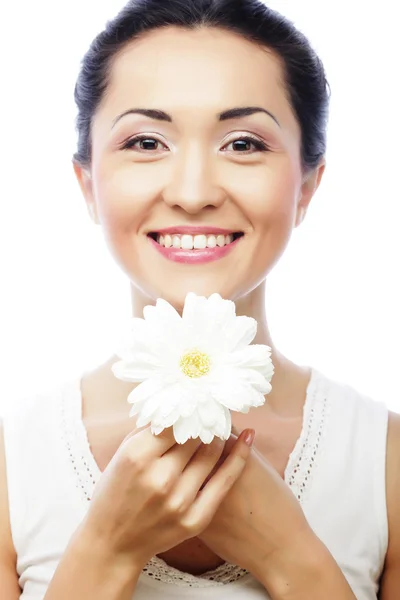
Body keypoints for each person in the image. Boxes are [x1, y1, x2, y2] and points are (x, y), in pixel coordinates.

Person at [1, 0, 399, 598]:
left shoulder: (383, 461)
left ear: (307, 187)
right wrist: (105, 550)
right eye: (145, 141)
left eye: (242, 144)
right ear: (87, 184)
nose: (192, 193)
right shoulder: (14, 463)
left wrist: (292, 558)